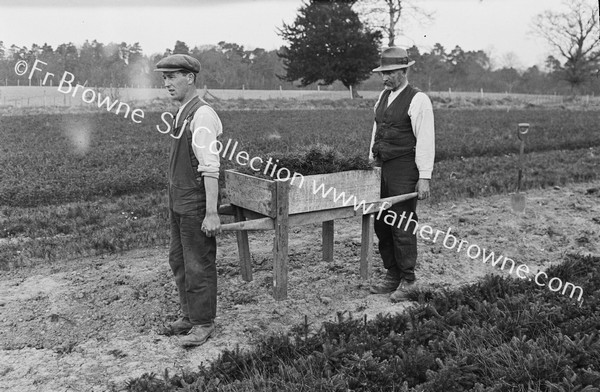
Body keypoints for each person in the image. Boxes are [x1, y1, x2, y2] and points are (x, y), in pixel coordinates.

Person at [154, 54, 222, 347]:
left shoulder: (202, 114)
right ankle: (188, 315)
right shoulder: (182, 111)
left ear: (190, 78)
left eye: (172, 77)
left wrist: (211, 212)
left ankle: (203, 322)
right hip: (177, 200)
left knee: (198, 263)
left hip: (194, 203)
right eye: (164, 78)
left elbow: (210, 167)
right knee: (179, 261)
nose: (167, 83)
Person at [368, 47, 435, 302]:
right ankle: (392, 274)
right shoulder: (382, 97)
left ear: (404, 71)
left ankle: (409, 280)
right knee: (381, 224)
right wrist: (370, 161)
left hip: (405, 170)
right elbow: (377, 133)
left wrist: (424, 176)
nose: (385, 78)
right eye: (382, 73)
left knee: (402, 225)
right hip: (382, 169)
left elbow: (426, 140)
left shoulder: (419, 100)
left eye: (390, 73)